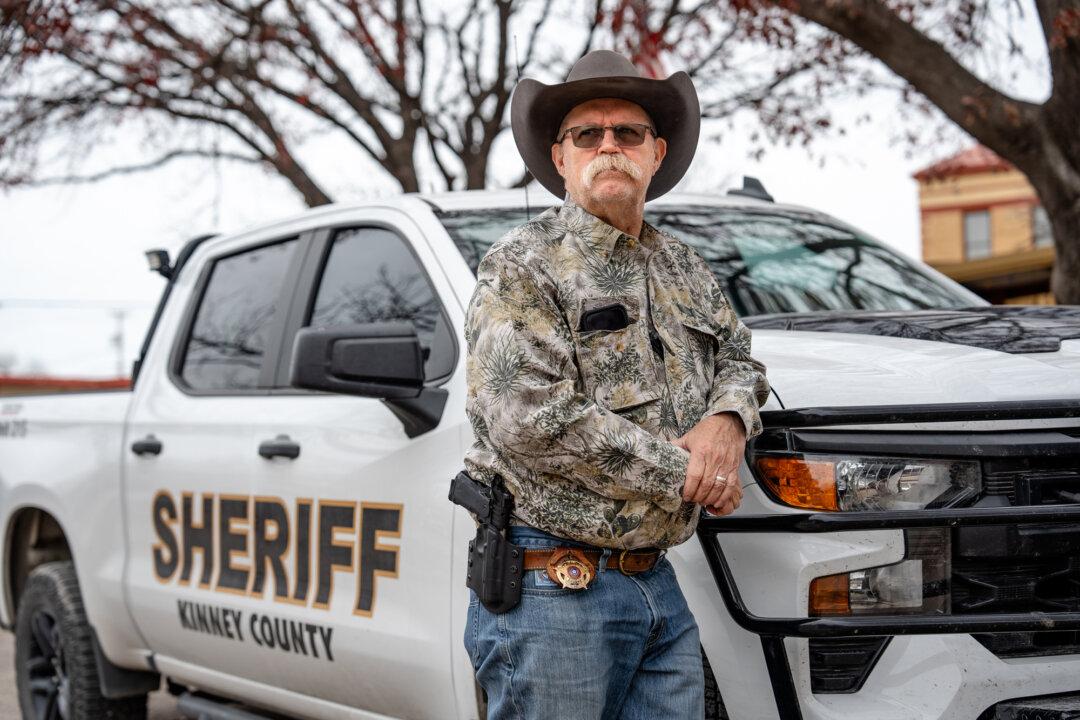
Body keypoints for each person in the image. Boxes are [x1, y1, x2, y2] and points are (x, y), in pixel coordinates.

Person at [461, 49, 771, 719]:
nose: (609, 146)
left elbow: (742, 359)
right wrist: (685, 473)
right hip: (552, 590)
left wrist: (726, 424)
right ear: (561, 157)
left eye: (627, 133)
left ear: (655, 153)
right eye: (587, 135)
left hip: (658, 582)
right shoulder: (522, 265)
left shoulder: (683, 266)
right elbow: (527, 415)